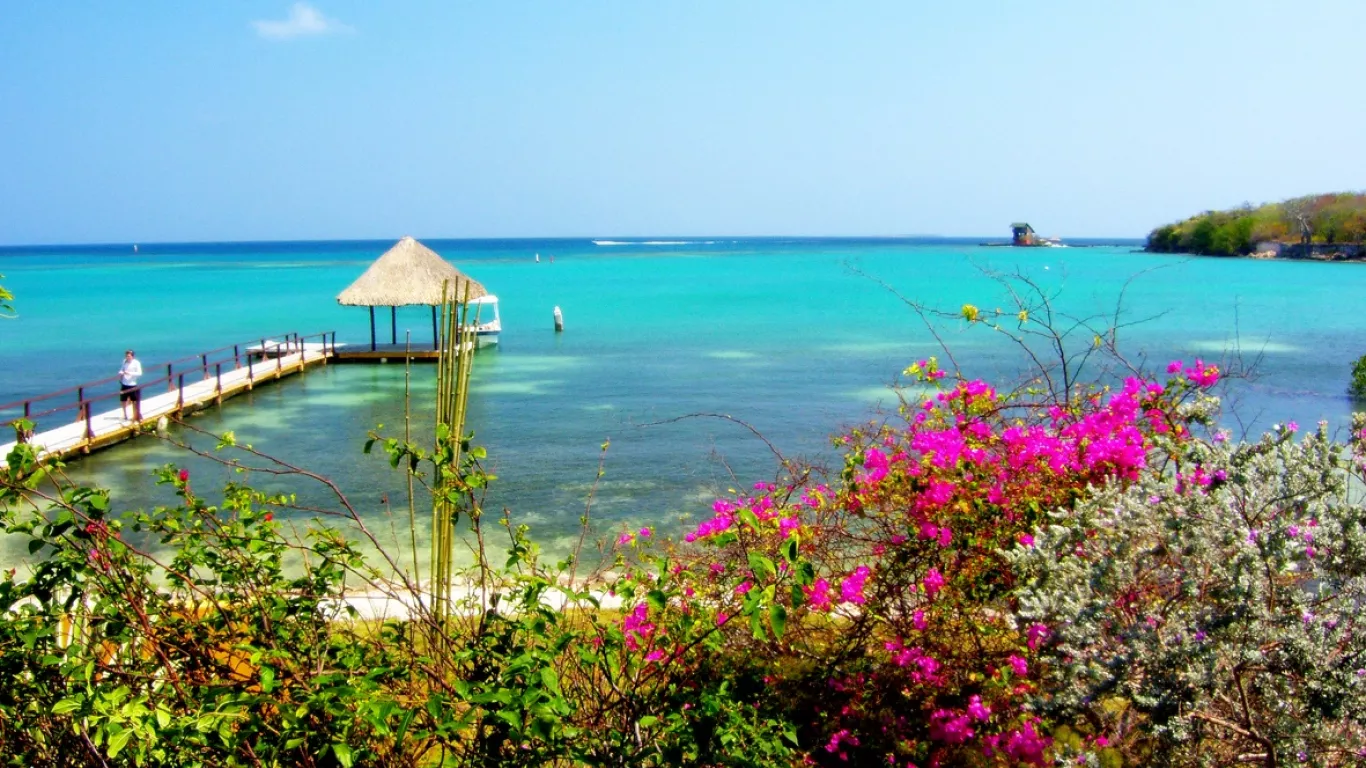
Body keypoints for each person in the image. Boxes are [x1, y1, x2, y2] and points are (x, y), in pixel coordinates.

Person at [119, 349, 142, 421]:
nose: (127, 357)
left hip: (132, 384)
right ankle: (125, 415)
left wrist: (130, 373)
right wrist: (121, 373)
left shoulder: (136, 363)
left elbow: (139, 373)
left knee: (134, 401)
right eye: (126, 356)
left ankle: (134, 415)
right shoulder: (124, 361)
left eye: (129, 356)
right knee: (123, 400)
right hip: (124, 384)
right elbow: (121, 369)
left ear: (132, 356)